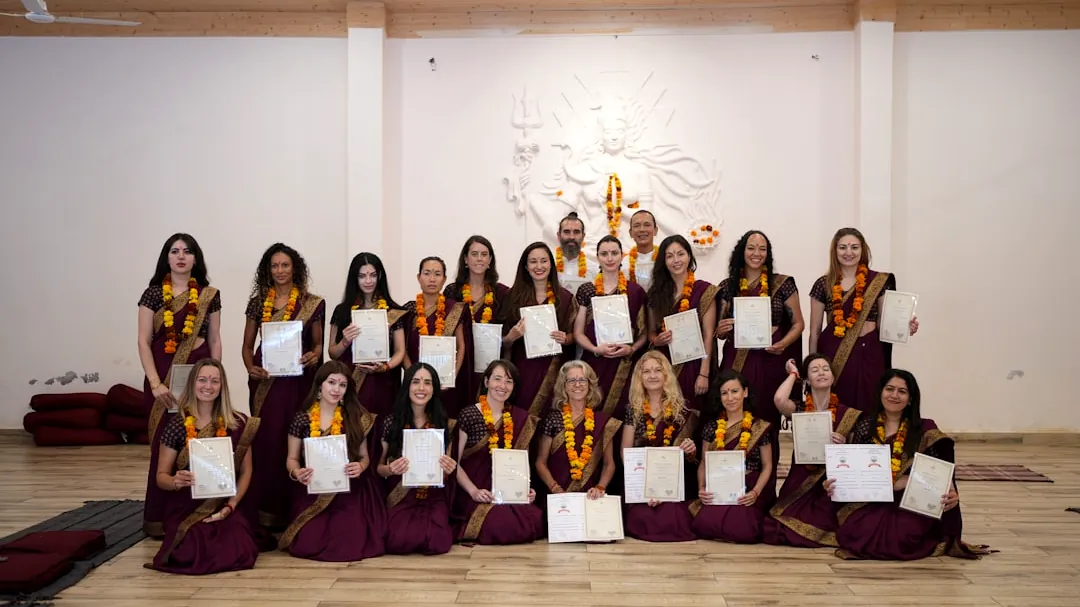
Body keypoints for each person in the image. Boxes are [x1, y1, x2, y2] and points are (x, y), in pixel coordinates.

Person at [827, 370, 993, 561]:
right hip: (872, 499)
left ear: (911, 399)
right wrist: (835, 483)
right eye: (889, 389)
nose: (894, 395)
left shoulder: (924, 430)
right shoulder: (865, 427)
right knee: (856, 531)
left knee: (904, 536)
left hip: (911, 498)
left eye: (902, 391)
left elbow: (940, 467)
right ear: (880, 392)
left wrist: (919, 483)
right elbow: (855, 469)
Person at [138, 233, 222, 538]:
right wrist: (155, 383)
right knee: (164, 442)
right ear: (167, 257)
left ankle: (197, 510)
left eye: (187, 251)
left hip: (199, 375)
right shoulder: (152, 294)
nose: (181, 256)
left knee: (199, 435)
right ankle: (158, 517)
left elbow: (214, 339)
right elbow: (144, 341)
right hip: (161, 376)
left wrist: (216, 377)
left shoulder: (209, 295)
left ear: (196, 258)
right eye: (175, 251)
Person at [242, 243, 325, 529]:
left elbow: (317, 345)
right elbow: (246, 345)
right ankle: (265, 512)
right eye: (274, 266)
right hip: (265, 382)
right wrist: (249, 367)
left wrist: (314, 355)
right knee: (266, 440)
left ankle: (296, 510)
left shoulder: (312, 302)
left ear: (295, 268)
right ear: (268, 270)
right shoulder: (257, 303)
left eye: (285, 265)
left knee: (295, 437)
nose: (279, 271)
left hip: (298, 382)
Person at [149, 359, 260, 574]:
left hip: (224, 502)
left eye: (214, 381)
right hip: (185, 504)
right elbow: (160, 477)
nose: (208, 386)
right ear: (192, 384)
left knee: (240, 546)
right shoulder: (177, 426)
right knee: (190, 550)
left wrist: (231, 506)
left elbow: (247, 471)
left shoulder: (238, 423)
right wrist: (174, 481)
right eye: (202, 380)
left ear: (222, 386)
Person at [278, 361, 386, 561]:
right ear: (320, 385)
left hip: (349, 490)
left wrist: (360, 466)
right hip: (313, 489)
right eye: (332, 382)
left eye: (342, 385)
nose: (336, 389)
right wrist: (297, 473)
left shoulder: (355, 417)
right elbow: (292, 459)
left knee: (349, 541)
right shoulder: (302, 419)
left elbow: (364, 457)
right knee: (308, 542)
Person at [715, 229, 803, 463]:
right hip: (737, 363)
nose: (757, 253)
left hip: (769, 362)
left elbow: (798, 323)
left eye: (762, 249)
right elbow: (719, 331)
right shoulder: (727, 286)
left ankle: (765, 486)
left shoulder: (782, 284)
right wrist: (721, 330)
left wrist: (783, 343)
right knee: (734, 412)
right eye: (751, 248)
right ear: (742, 252)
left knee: (766, 417)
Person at [808, 228, 919, 411]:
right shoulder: (823, 283)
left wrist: (906, 327)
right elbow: (814, 331)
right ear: (835, 251)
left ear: (863, 250)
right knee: (839, 401)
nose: (849, 252)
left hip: (870, 352)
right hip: (835, 352)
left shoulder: (879, 281)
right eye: (843, 247)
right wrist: (811, 367)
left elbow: (886, 323)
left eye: (854, 247)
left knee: (872, 399)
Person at [764, 354, 861, 548]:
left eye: (826, 369)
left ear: (833, 377)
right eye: (815, 370)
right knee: (776, 525)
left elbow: (855, 455)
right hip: (801, 478)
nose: (822, 373)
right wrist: (793, 374)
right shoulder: (800, 410)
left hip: (831, 480)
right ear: (807, 380)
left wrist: (843, 446)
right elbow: (779, 399)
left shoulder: (848, 414)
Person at [452, 360, 544, 545]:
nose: (502, 386)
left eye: (509, 381)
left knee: (537, 518)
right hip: (477, 491)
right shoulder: (469, 415)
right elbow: (454, 462)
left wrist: (525, 489)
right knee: (499, 524)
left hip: (508, 492)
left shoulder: (520, 418)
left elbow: (521, 463)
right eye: (497, 379)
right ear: (486, 382)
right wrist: (474, 491)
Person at [378, 363, 458, 555]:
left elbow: (446, 473)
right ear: (407, 386)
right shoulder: (391, 422)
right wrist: (391, 469)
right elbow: (378, 468)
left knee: (437, 543)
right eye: (416, 382)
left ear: (434, 388)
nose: (421, 388)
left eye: (427, 383)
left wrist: (449, 468)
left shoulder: (446, 424)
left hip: (433, 497)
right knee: (398, 541)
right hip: (401, 495)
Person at [690, 370, 774, 544]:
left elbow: (767, 466)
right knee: (703, 525)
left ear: (745, 392)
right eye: (724, 393)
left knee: (744, 530)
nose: (730, 397)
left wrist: (755, 492)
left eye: (734, 391)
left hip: (748, 487)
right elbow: (704, 463)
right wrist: (701, 488)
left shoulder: (759, 426)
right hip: (719, 485)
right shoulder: (711, 427)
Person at [621, 352, 698, 542]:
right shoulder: (633, 409)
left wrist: (690, 449)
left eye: (657, 370)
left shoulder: (682, 408)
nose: (652, 375)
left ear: (666, 375)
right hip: (641, 480)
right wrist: (642, 485)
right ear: (639, 377)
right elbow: (626, 453)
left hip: (672, 482)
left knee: (672, 517)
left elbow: (691, 458)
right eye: (646, 371)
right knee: (643, 518)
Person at [573, 235, 648, 420]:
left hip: (624, 366)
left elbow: (645, 333)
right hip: (595, 362)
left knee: (623, 413)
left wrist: (631, 348)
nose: (609, 258)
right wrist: (595, 349)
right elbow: (578, 332)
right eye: (604, 254)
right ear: (597, 257)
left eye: (614, 253)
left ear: (621, 256)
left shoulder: (635, 291)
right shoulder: (587, 290)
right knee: (592, 413)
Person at [500, 242, 577, 417]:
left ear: (551, 264)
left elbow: (577, 336)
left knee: (552, 420)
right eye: (533, 262)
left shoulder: (565, 298)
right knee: (521, 418)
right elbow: (501, 341)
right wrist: (511, 337)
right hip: (522, 371)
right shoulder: (512, 297)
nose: (539, 266)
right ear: (526, 267)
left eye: (544, 261)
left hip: (555, 372)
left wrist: (567, 338)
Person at [327, 252, 408, 417]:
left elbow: (400, 350)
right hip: (351, 382)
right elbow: (332, 353)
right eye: (362, 276)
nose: (368, 281)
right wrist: (344, 341)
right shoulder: (342, 311)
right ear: (354, 278)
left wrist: (385, 367)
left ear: (380, 276)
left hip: (383, 383)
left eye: (373, 275)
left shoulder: (393, 311)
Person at [646, 235, 717, 412]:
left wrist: (704, 373)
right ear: (663, 261)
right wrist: (657, 340)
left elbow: (708, 335)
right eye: (669, 256)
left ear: (689, 256)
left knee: (693, 414)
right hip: (665, 366)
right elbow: (651, 332)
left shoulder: (705, 290)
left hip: (695, 366)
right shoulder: (656, 293)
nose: (676, 260)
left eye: (680, 254)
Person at [535, 361, 621, 500]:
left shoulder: (602, 421)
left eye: (582, 379)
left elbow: (609, 464)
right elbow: (541, 462)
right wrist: (554, 488)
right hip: (558, 497)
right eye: (571, 380)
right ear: (564, 386)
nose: (577, 384)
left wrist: (600, 487)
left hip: (591, 497)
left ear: (590, 384)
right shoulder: (553, 419)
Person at [443, 235, 511, 407]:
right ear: (465, 259)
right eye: (474, 254)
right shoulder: (452, 292)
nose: (479, 258)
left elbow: (507, 331)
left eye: (484, 254)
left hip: (490, 365)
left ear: (490, 260)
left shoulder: (502, 293)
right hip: (460, 364)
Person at [404, 256, 468, 418]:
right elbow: (401, 349)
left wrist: (451, 375)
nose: (432, 279)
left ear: (444, 279)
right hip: (415, 387)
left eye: (437, 274)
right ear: (418, 277)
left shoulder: (454, 308)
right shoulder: (408, 310)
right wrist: (415, 379)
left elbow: (461, 347)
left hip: (446, 386)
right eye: (427, 273)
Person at [553, 212, 598, 294]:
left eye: (576, 232)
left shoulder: (595, 269)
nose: (571, 237)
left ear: (583, 236)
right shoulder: (549, 267)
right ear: (559, 235)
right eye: (567, 232)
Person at [627, 209, 658, 290]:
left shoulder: (665, 260)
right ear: (630, 233)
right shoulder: (623, 264)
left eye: (647, 225)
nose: (642, 229)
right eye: (637, 225)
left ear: (655, 230)